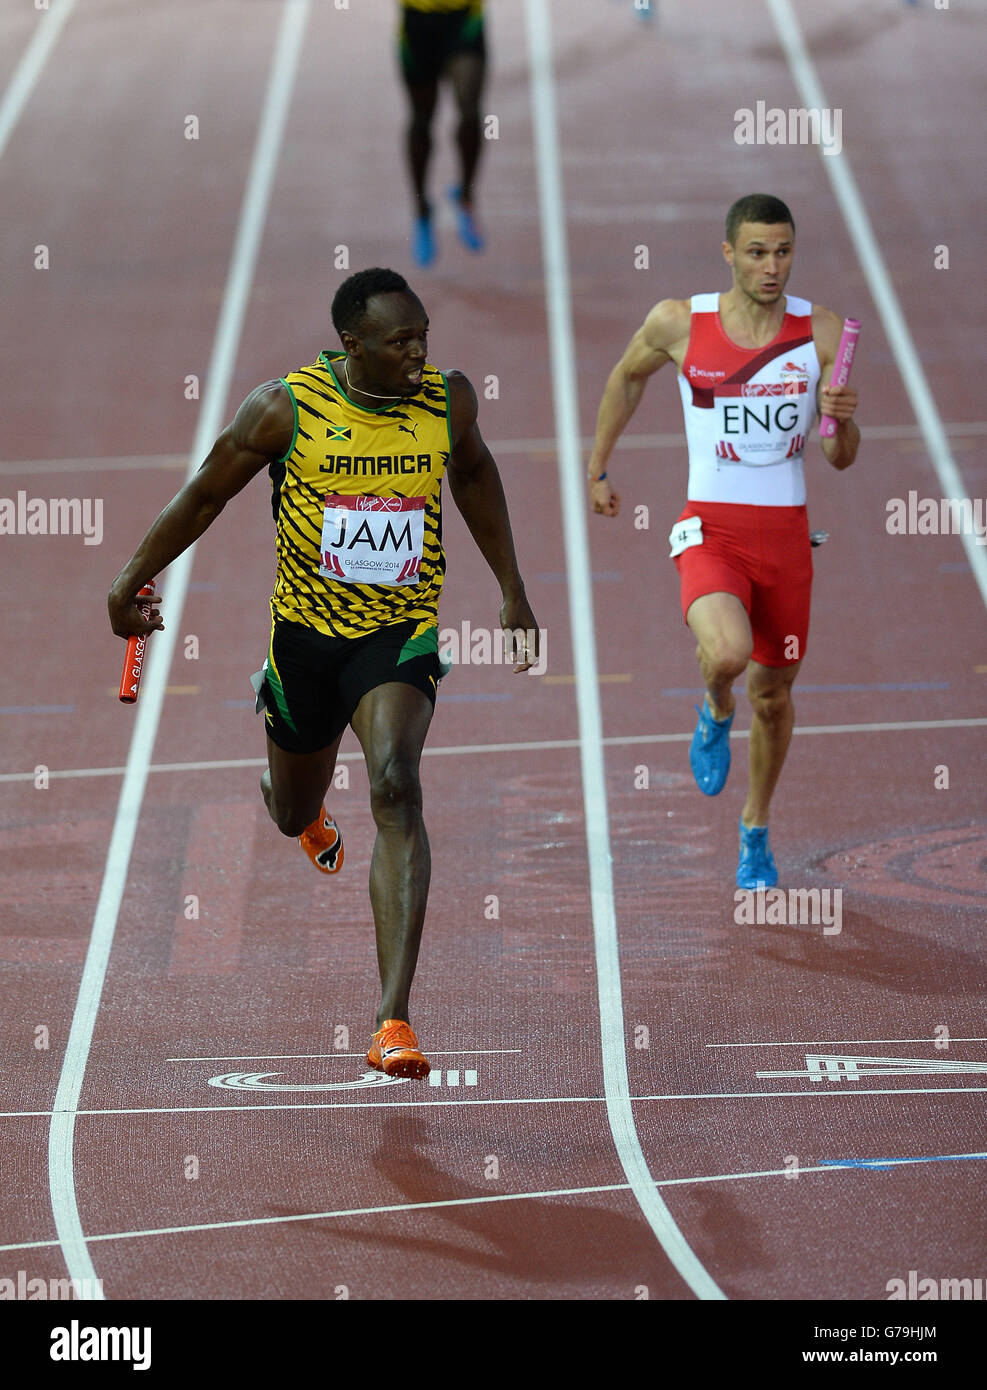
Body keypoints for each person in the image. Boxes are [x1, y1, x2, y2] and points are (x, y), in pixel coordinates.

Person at [108, 267, 538, 1076]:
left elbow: (474, 474)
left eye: (423, 337)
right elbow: (204, 496)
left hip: (397, 637)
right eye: (400, 341)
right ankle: (296, 802)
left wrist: (512, 589)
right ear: (354, 345)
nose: (418, 353)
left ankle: (392, 1022)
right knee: (288, 809)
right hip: (305, 642)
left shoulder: (446, 402)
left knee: (394, 784)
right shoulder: (287, 408)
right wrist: (128, 579)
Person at [586, 194, 859, 889]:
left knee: (773, 697)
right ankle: (712, 708)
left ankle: (754, 830)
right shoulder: (679, 321)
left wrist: (839, 420)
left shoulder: (820, 333)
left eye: (784, 251)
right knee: (728, 653)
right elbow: (625, 378)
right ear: (729, 253)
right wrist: (598, 467)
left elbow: (839, 456)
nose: (772, 267)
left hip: (787, 537)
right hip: (710, 527)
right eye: (758, 252)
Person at [397, 0, 487, 265]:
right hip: (418, 23)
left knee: (470, 110)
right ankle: (422, 208)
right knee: (421, 119)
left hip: (465, 20)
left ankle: (466, 197)